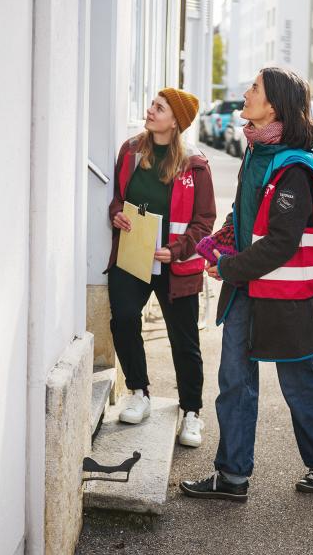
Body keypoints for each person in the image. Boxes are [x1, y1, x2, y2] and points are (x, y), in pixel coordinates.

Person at [180, 67, 313, 501]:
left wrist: (229, 269)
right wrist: (222, 240)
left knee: (297, 379)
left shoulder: (294, 168)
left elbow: (283, 242)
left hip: (286, 295)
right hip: (248, 289)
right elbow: (246, 212)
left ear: (275, 104)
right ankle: (232, 477)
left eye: (254, 88)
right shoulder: (255, 151)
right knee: (234, 380)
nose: (246, 93)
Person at [106, 88, 217, 447]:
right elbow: (118, 198)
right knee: (123, 319)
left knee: (184, 341)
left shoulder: (195, 165)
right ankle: (139, 392)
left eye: (159, 107)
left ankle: (192, 413)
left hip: (177, 264)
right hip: (133, 257)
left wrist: (178, 249)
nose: (150, 110)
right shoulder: (131, 152)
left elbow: (204, 221)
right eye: (152, 104)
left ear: (176, 121)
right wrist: (116, 214)